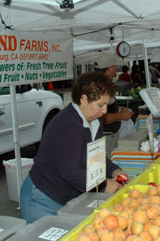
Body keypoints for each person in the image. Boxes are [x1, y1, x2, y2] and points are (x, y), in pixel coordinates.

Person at [19, 71, 126, 223]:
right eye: (100, 105)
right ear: (83, 99)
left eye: (106, 105)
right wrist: (103, 186)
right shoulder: (68, 125)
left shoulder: (95, 122)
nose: (105, 111)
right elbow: (70, 171)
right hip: (43, 199)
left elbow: (96, 156)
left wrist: (114, 170)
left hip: (67, 197)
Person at [94, 52, 135, 157]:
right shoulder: (100, 88)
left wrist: (120, 109)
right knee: (107, 167)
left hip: (109, 136)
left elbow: (108, 107)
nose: (116, 71)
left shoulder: (103, 84)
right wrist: (121, 116)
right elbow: (100, 117)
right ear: (109, 70)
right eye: (115, 67)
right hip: (105, 138)